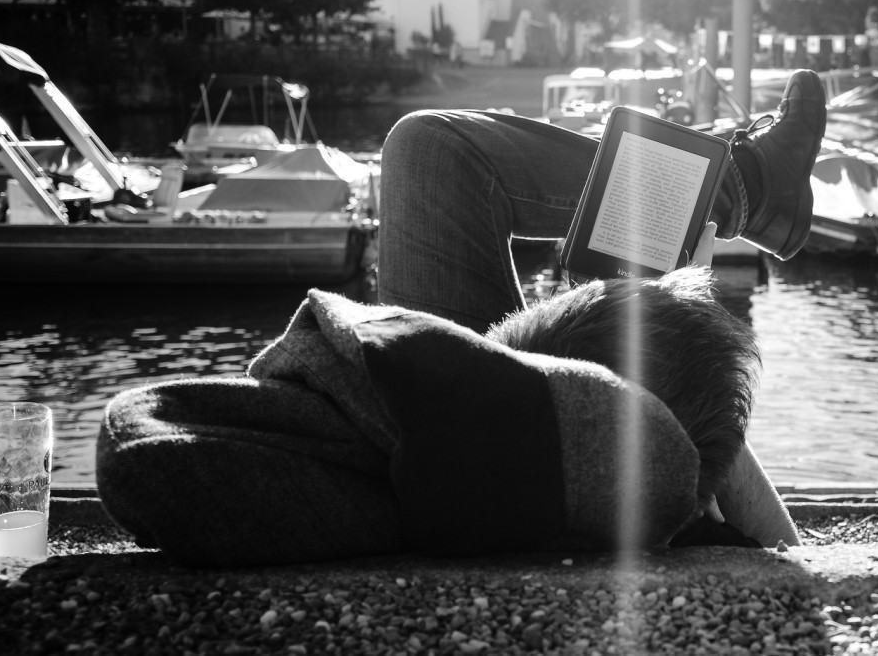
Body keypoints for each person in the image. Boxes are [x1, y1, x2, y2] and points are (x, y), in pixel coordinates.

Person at [95, 70, 826, 567]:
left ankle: (746, 188)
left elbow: (137, 456)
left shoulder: (241, 474)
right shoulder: (656, 469)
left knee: (435, 151)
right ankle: (745, 188)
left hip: (457, 437)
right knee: (438, 153)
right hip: (485, 438)